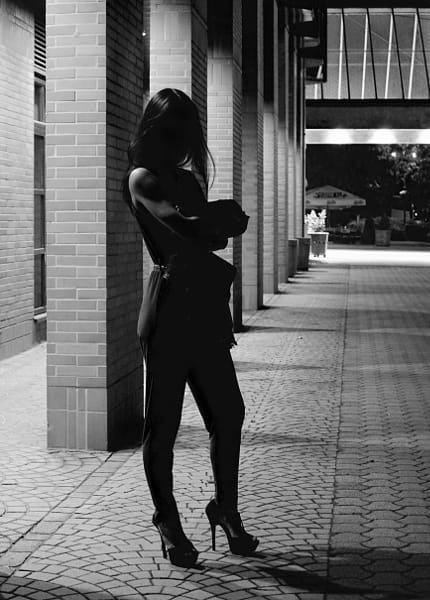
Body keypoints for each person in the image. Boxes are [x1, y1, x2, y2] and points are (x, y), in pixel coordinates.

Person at [122, 88, 259, 568]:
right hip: (167, 312)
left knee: (229, 412)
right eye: (176, 133)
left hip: (201, 307)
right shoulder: (142, 177)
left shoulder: (184, 178)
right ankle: (167, 520)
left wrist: (211, 220)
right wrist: (220, 215)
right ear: (158, 131)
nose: (184, 144)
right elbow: (181, 225)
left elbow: (210, 237)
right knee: (163, 427)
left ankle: (225, 509)